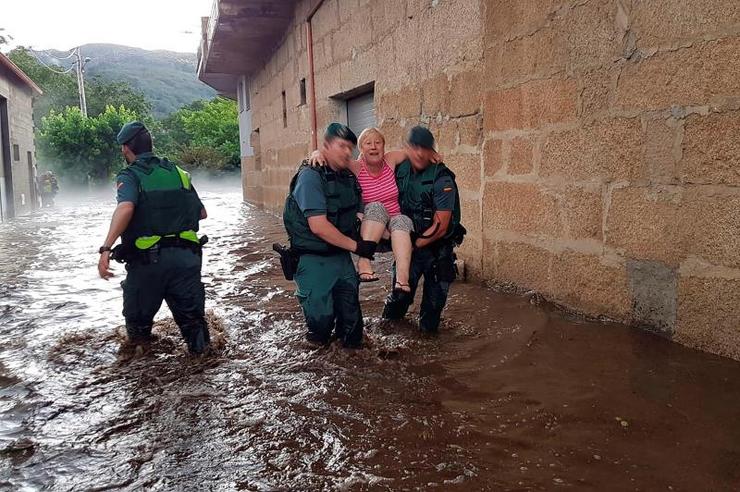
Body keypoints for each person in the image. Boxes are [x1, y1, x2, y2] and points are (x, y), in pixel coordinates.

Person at [97, 121, 210, 355]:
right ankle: (204, 367)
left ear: (126, 149)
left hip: (149, 263)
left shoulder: (129, 176)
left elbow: (126, 208)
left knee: (138, 332)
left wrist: (106, 248)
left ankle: (141, 373)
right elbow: (202, 213)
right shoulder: (179, 173)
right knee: (195, 326)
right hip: (187, 259)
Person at [309, 128, 441, 293]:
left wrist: (432, 153)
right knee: (376, 206)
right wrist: (316, 153)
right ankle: (364, 261)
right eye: (368, 143)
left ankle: (402, 280)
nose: (374, 147)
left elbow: (412, 152)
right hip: (371, 225)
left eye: (378, 143)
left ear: (384, 147)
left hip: (393, 226)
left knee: (403, 220)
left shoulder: (390, 159)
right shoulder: (357, 167)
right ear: (362, 150)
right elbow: (332, 158)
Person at [283, 122, 377, 348]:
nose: (347, 152)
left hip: (340, 258)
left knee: (353, 328)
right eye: (342, 146)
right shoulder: (310, 176)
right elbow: (318, 226)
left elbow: (359, 210)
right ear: (325, 146)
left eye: (350, 148)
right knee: (321, 327)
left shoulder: (348, 176)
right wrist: (358, 247)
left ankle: (354, 370)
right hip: (312, 259)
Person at [382, 126, 465, 333]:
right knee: (399, 300)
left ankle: (429, 350)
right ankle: (385, 338)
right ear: (407, 148)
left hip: (437, 251)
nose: (420, 153)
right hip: (409, 250)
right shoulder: (399, 169)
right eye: (415, 147)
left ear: (432, 151)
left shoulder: (442, 177)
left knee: (432, 310)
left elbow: (441, 225)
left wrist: (412, 245)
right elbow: (367, 162)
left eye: (425, 148)